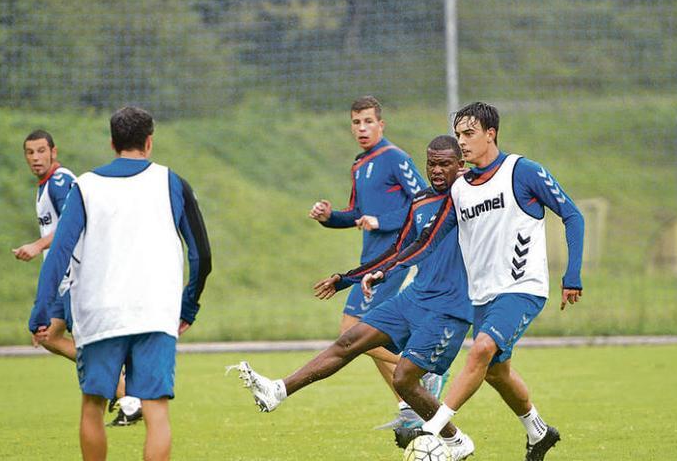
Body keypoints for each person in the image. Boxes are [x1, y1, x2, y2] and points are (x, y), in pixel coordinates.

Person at [363, 102, 584, 461]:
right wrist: (386, 269)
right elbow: (428, 240)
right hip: (483, 296)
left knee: (481, 349)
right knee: (497, 373)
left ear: (490, 134)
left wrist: (572, 276)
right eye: (458, 135)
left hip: (523, 287)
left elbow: (572, 215)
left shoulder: (521, 171)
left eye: (469, 134)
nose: (461, 142)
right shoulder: (461, 188)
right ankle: (538, 432)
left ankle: (435, 433)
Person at [230, 135, 475, 460]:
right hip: (416, 297)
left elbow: (426, 244)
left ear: (462, 165)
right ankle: (278, 391)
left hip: (449, 307)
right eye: (432, 163)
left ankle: (456, 442)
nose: (437, 170)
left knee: (403, 380)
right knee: (350, 340)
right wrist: (348, 278)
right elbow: (399, 248)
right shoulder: (421, 201)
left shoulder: (470, 200)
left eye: (445, 163)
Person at [29, 106, 212, 461]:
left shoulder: (85, 186)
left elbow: (59, 254)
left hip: (99, 314)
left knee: (93, 405)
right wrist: (189, 304)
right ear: (149, 142)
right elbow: (201, 255)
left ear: (112, 143)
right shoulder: (172, 182)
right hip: (155, 313)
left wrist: (40, 309)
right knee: (156, 411)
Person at [307, 96, 444, 428]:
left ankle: (425, 374)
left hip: (394, 261)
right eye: (356, 122)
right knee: (365, 339)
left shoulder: (395, 158)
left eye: (368, 121)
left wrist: (382, 221)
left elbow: (423, 204)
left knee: (353, 334)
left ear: (381, 124)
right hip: (368, 265)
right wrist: (328, 217)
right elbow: (356, 214)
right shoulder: (359, 164)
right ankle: (410, 408)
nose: (362, 128)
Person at [15, 130, 143, 426]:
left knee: (87, 343)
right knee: (49, 337)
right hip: (63, 281)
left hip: (77, 277)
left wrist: (36, 245)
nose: (35, 158)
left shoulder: (61, 183)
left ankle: (127, 395)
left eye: (40, 151)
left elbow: (72, 226)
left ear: (53, 152)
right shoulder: (45, 186)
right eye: (29, 152)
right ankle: (123, 390)